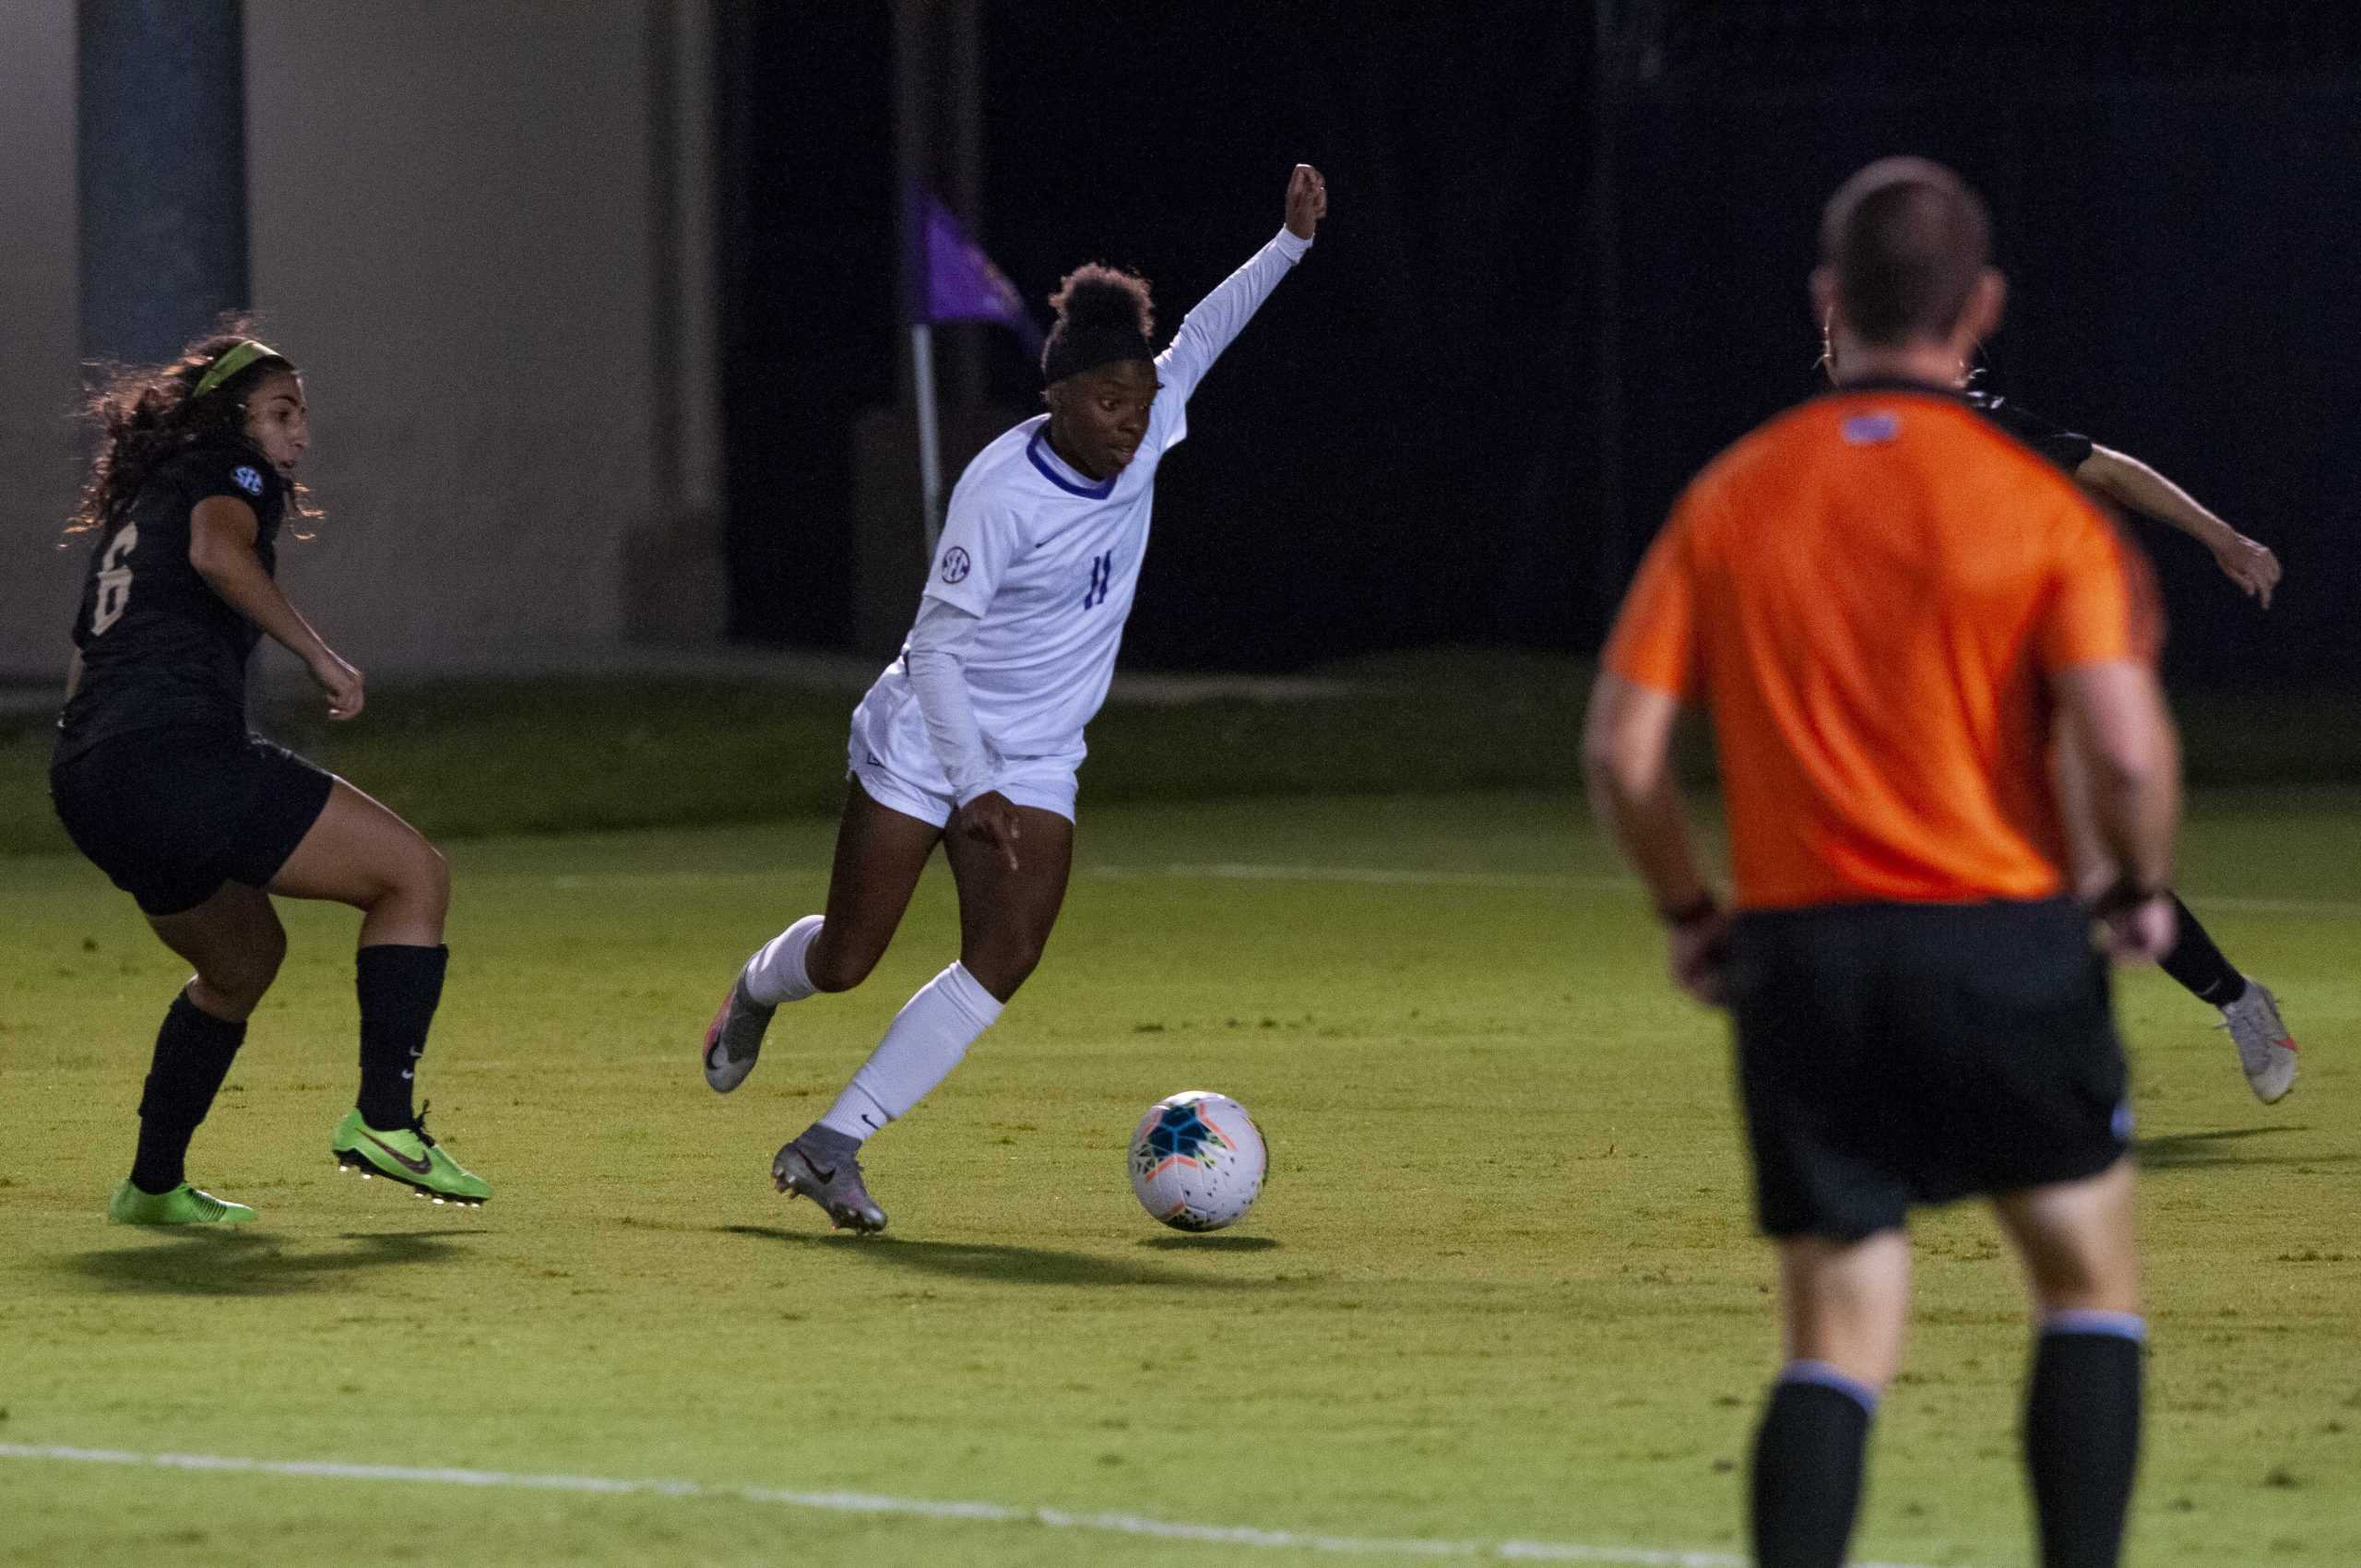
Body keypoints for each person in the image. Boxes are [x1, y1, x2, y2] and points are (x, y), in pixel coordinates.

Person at [1587, 160, 2172, 1566]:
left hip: (1806, 959)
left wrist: (1688, 909)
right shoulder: (2040, 510)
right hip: (2005, 944)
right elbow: (2128, 753)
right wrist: (2137, 889)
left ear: (1828, 303)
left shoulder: (1733, 495)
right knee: (2086, 1285)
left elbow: (1621, 755)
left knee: (1837, 1333)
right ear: (1982, 307)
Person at [700, 165, 1328, 1232]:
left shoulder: (1150, 417)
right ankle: (759, 990)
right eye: (1107, 401)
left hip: (1037, 753)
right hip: (924, 741)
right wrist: (972, 780)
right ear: (1058, 397)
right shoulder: (1001, 492)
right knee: (849, 956)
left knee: (1007, 950)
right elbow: (936, 651)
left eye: (1138, 398)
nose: (1130, 420)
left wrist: (1289, 242)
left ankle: (829, 1143)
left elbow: (1207, 335)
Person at [51, 326, 491, 1224]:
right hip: (174, 758)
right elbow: (221, 553)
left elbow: (86, 658)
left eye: (302, 414)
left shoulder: (143, 509)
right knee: (414, 874)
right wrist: (322, 657)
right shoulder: (227, 468)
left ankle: (153, 1183)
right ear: (231, 418)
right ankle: (385, 1120)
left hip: (91, 776)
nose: (298, 434)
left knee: (242, 959)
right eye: (281, 412)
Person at [1819, 327, 2296, 1100]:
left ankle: (2235, 1001)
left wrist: (2221, 536)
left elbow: (2106, 468)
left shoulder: (1970, 417)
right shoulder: (1826, 450)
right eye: (1840, 344)